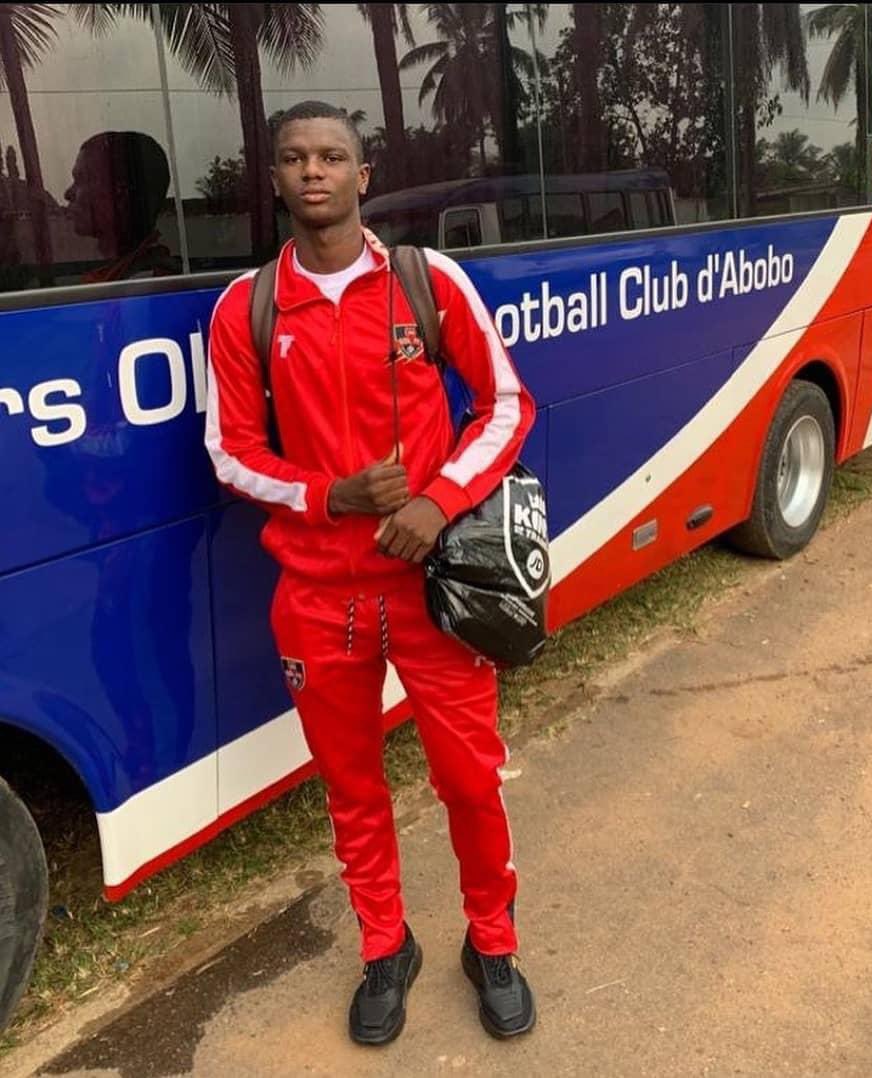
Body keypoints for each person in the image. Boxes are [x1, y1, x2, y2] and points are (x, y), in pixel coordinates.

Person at [204, 100, 537, 1046]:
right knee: (352, 791)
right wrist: (330, 497)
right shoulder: (247, 308)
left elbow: (506, 405)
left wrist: (440, 501)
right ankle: (386, 948)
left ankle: (492, 941)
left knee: (469, 781)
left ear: (364, 175)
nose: (314, 171)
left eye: (332, 156)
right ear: (276, 179)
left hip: (432, 590)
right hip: (317, 598)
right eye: (295, 158)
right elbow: (230, 453)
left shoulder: (427, 282)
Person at [65, 131, 178, 283]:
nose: (67, 194)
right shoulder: (118, 276)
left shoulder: (146, 286)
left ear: (119, 195)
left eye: (81, 179)